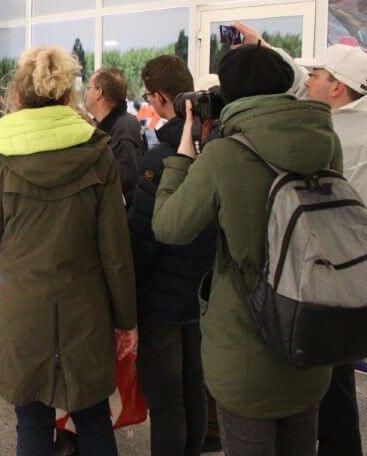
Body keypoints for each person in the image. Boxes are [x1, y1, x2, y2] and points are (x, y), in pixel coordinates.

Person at [152, 43, 340, 456]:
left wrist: (184, 155)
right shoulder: (326, 142)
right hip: (311, 339)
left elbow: (169, 227)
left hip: (247, 353)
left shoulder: (225, 155)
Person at [0, 46, 138, 456]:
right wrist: (127, 320)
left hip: (24, 303)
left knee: (31, 419)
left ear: (18, 97)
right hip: (87, 305)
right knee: (93, 416)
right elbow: (116, 250)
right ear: (68, 97)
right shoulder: (98, 150)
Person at [296, 43, 367, 456]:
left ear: (337, 88)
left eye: (317, 76)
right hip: (358, 271)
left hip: (332, 275)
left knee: (329, 387)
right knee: (338, 382)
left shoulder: (341, 136)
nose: (309, 82)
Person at [126, 56, 215, 456]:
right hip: (200, 295)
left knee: (166, 404)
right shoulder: (218, 150)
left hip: (160, 300)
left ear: (160, 98)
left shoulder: (162, 158)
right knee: (193, 392)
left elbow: (143, 237)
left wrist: (125, 294)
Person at [85, 67, 145, 206]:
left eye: (89, 88)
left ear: (99, 93)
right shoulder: (103, 125)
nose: (86, 93)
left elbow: (126, 186)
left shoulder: (125, 129)